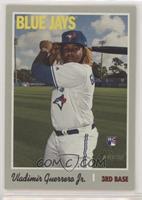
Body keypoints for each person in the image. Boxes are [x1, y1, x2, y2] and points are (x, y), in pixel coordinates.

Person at [32, 30, 99, 168]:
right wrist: (53, 52)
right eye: (66, 49)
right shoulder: (68, 69)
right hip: (56, 136)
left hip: (77, 140)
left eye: (75, 49)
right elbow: (49, 66)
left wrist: (45, 49)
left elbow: (37, 70)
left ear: (84, 52)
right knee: (49, 183)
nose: (70, 53)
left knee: (80, 186)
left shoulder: (78, 70)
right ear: (61, 52)